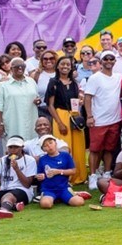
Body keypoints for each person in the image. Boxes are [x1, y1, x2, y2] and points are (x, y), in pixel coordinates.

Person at [82, 50, 122, 191]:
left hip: (115, 119)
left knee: (109, 149)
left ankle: (106, 173)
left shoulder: (118, 77)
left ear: (115, 61)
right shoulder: (95, 78)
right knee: (94, 149)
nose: (109, 61)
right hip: (98, 120)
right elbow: (88, 97)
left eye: (111, 59)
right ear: (101, 61)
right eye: (106, 59)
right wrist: (89, 116)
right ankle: (93, 175)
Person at [43, 55, 86, 184]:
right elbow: (50, 105)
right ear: (58, 66)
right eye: (62, 64)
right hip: (60, 116)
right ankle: (65, 177)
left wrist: (80, 103)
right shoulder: (53, 82)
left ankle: (79, 176)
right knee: (64, 147)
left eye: (68, 64)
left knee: (78, 146)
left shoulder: (74, 83)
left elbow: (76, 101)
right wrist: (59, 123)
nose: (65, 66)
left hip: (74, 115)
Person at [0, 58, 39, 141]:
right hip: (12, 122)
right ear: (11, 68)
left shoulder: (31, 82)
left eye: (22, 66)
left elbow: (36, 97)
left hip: (31, 122)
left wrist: (38, 101)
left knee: (31, 147)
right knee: (13, 148)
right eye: (17, 66)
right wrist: (0, 123)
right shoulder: (3, 85)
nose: (20, 68)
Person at [35, 135, 87, 209]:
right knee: (46, 205)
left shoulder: (65, 156)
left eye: (50, 143)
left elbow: (73, 171)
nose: (49, 146)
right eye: (45, 146)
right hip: (48, 189)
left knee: (79, 202)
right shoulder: (42, 159)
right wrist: (40, 176)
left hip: (63, 188)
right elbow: (39, 175)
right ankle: (52, 198)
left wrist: (58, 172)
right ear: (43, 149)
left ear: (55, 143)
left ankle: (71, 195)